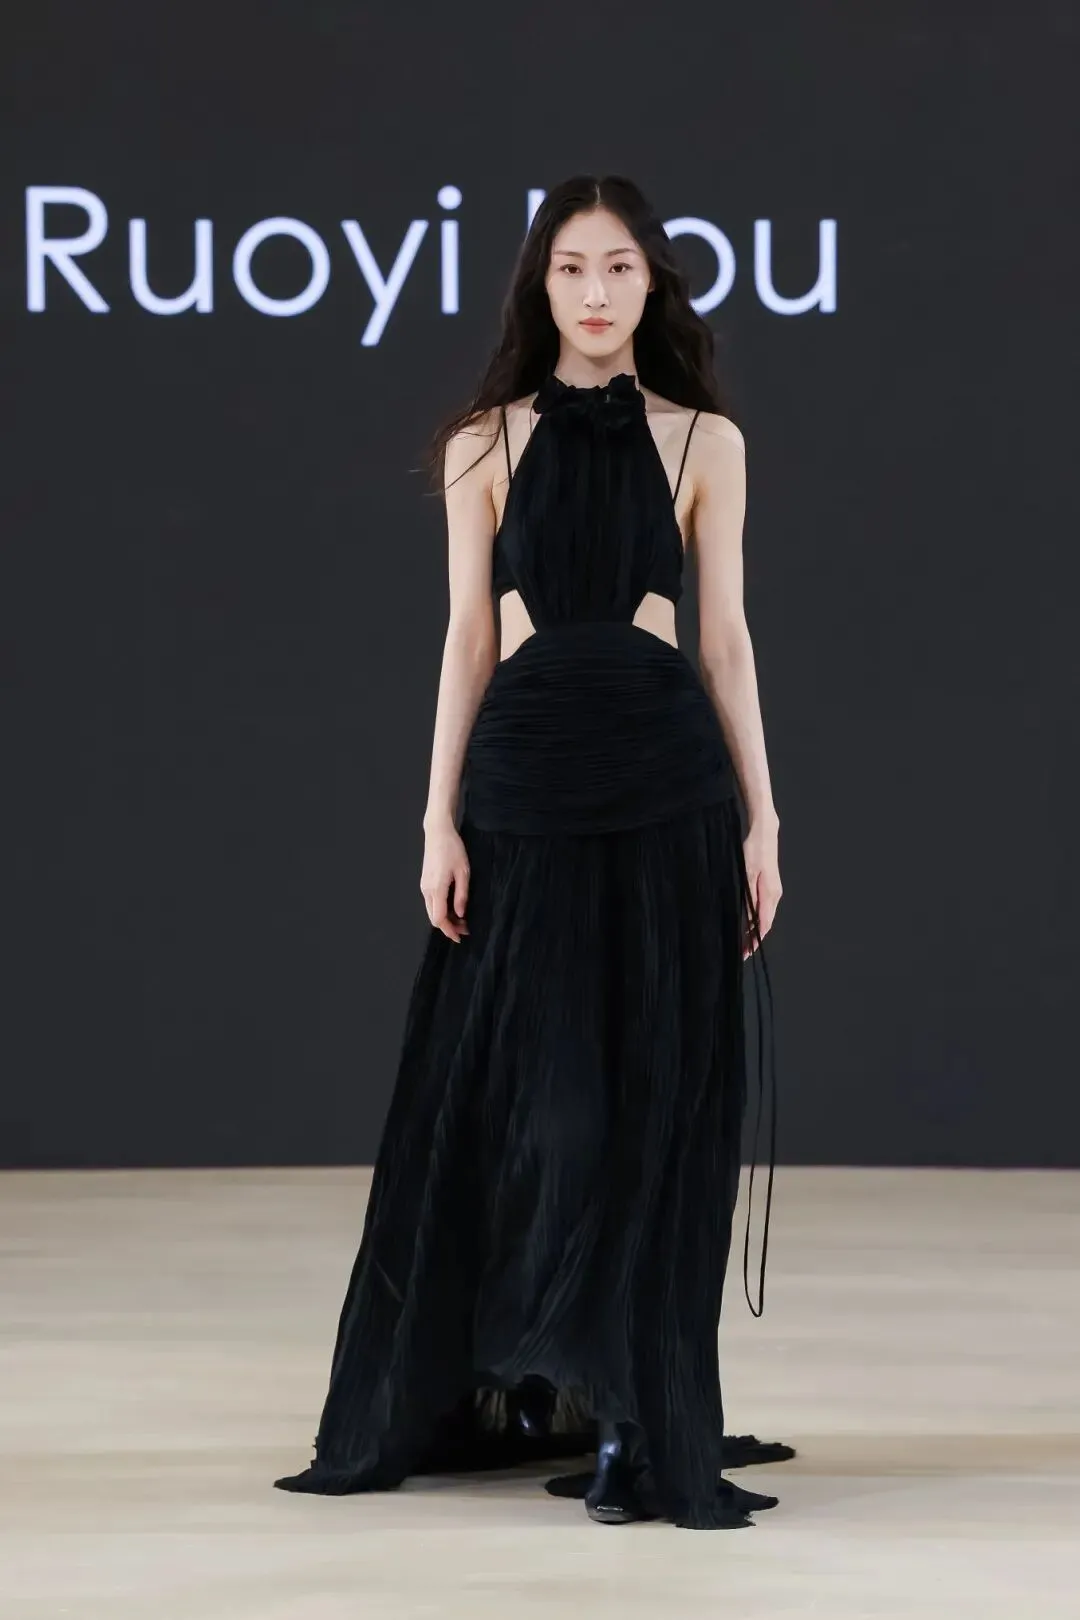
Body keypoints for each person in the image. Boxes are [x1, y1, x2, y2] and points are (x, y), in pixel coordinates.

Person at [274, 173, 791, 1529]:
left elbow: (726, 642)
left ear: (651, 283)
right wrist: (435, 817)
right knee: (548, 1107)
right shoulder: (483, 441)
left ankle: (631, 1416)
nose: (597, 292)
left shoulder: (706, 442)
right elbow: (465, 638)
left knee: (659, 1102)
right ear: (539, 285)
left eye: (619, 266)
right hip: (525, 781)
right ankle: (529, 1371)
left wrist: (764, 819)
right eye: (572, 267)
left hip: (668, 780)